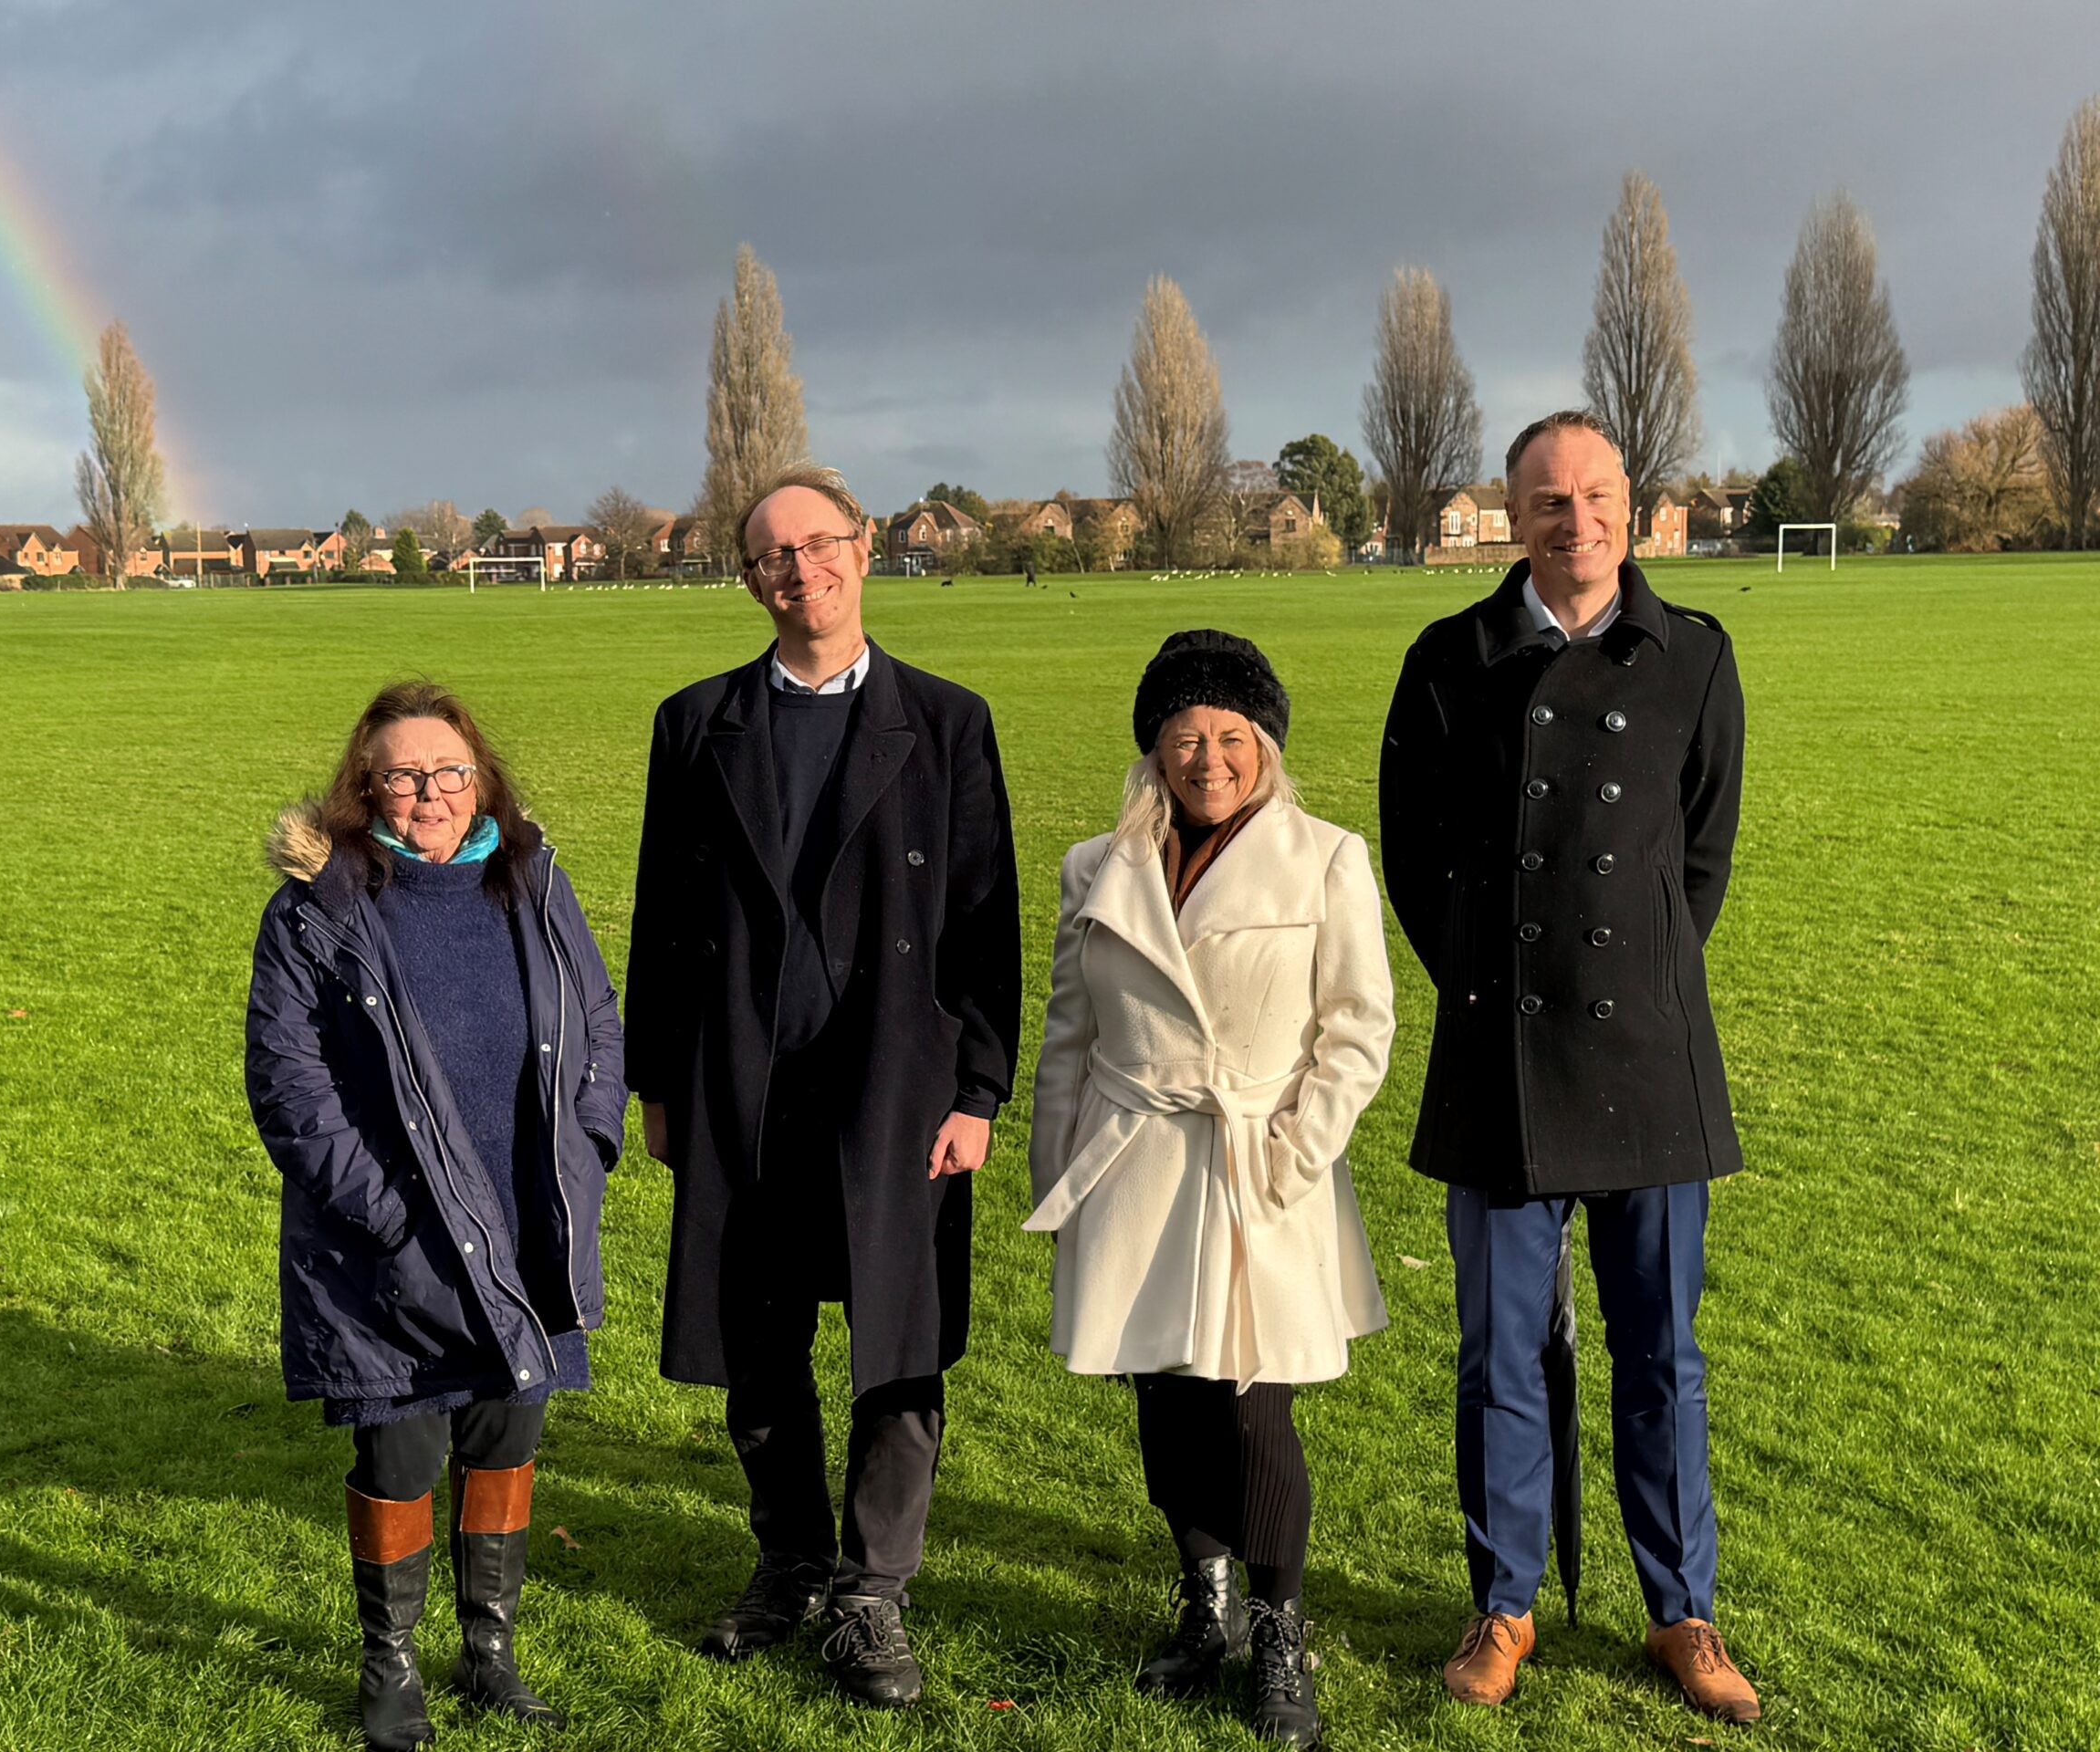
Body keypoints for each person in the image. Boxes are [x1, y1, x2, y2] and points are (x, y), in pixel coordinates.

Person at [1377, 410, 1759, 1723]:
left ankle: (1683, 1612)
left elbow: (1696, 861)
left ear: (1633, 507)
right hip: (1503, 1056)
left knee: (1663, 1356)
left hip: (1653, 1063)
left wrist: (1638, 978)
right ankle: (1504, 1606)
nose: (1576, 520)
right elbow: (1414, 861)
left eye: (1597, 496)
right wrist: (1496, 990)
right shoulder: (1447, 659)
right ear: (1512, 512)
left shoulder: (1696, 660)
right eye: (1549, 500)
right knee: (1500, 1357)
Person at [625, 464, 1020, 1709]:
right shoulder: (696, 724)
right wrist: (657, 1081)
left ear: (863, 549)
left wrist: (977, 1090)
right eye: (772, 556)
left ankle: (873, 1594)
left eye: (820, 544)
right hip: (741, 1081)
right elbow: (664, 916)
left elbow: (983, 919)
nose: (802, 571)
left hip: (895, 1087)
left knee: (897, 1347)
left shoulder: (947, 722)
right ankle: (790, 1561)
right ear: (750, 581)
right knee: (760, 1340)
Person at [1026, 631, 1395, 1749]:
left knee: (1253, 1406)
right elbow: (1066, 1034)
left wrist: (1293, 1154)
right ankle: (1208, 1607)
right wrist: (1062, 1173)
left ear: (1265, 746)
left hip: (1257, 1168)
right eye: (1186, 735)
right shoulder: (1096, 867)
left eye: (1232, 735)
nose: (1208, 757)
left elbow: (1357, 1030)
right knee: (1168, 1402)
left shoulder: (1326, 857)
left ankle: (1282, 1633)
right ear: (1154, 748)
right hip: (1132, 1163)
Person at [245, 681, 627, 1749]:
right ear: (365, 786)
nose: (429, 794)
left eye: (448, 772)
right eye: (403, 776)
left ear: (481, 776)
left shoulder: (533, 882)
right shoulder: (316, 913)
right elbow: (292, 1092)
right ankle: (392, 1663)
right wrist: (392, 1221)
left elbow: (597, 1024)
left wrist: (588, 1149)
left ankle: (490, 1654)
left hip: (527, 1225)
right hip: (388, 1246)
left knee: (505, 1443)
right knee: (401, 1457)